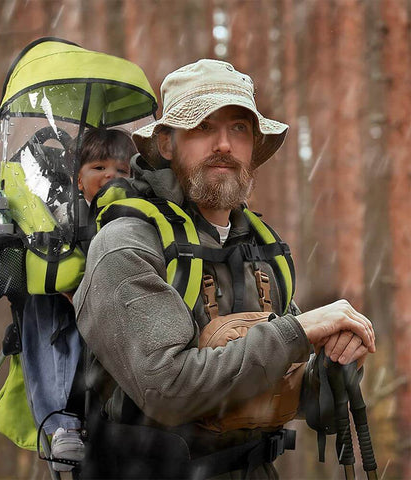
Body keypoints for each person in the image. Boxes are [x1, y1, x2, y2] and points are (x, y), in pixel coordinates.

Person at [73, 59, 375, 479]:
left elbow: (293, 393)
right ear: (166, 144)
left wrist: (332, 365)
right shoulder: (126, 245)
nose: (224, 145)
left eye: (238, 128)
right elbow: (169, 389)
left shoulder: (262, 248)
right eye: (202, 127)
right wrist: (299, 332)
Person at [20, 127, 136, 472]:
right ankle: (61, 424)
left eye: (122, 170)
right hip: (68, 316)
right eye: (99, 168)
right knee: (40, 311)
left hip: (118, 319)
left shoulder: (138, 216)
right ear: (78, 179)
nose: (111, 176)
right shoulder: (65, 215)